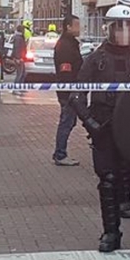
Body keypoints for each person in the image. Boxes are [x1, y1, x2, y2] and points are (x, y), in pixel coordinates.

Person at [69, 3, 130, 256]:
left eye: (128, 26)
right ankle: (111, 232)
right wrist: (89, 122)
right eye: (118, 27)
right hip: (104, 128)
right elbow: (77, 93)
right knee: (108, 182)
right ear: (108, 29)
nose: (123, 32)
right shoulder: (96, 60)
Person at [53, 14, 83, 166]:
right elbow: (66, 70)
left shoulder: (71, 43)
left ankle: (60, 153)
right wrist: (71, 90)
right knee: (66, 121)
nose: (79, 28)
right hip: (68, 90)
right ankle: (60, 154)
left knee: (69, 121)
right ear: (68, 27)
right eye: (76, 25)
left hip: (70, 89)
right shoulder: (65, 45)